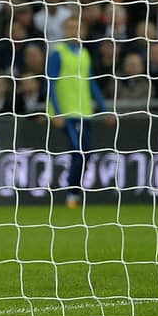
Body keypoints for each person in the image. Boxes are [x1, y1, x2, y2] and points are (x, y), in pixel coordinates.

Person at [46, 14, 113, 209]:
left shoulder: (84, 54)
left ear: (83, 32)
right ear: (65, 31)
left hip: (84, 112)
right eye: (70, 28)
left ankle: (74, 193)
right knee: (79, 153)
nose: (74, 32)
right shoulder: (58, 53)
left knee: (87, 154)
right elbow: (50, 83)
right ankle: (72, 195)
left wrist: (105, 110)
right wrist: (57, 113)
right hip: (67, 113)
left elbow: (91, 83)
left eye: (78, 28)